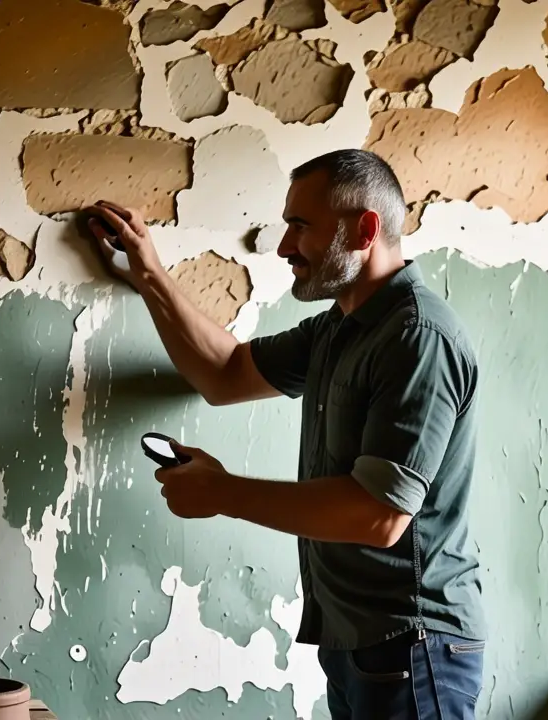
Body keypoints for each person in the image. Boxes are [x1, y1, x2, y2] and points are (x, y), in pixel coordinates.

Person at [83, 148, 484, 720]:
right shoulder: (337, 329)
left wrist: (223, 493)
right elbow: (223, 374)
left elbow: (379, 516)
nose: (283, 246)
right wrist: (147, 270)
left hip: (414, 649)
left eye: (300, 227)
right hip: (362, 646)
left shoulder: (416, 336)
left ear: (365, 229)